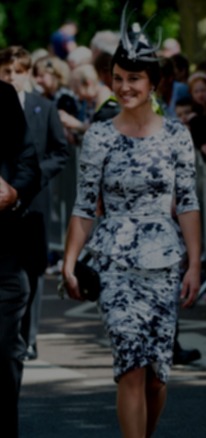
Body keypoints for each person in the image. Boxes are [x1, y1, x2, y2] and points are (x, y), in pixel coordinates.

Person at [61, 14, 201, 437]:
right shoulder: (100, 136)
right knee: (131, 366)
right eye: (118, 78)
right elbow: (85, 206)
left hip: (163, 260)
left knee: (158, 374)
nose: (124, 87)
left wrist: (195, 264)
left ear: (153, 82)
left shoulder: (177, 135)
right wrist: (69, 262)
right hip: (114, 259)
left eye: (134, 78)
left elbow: (189, 204)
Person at [0, 46, 70, 362]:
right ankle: (11, 335)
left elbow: (60, 151)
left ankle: (29, 338)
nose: (11, 77)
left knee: (33, 272)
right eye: (6, 71)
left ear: (27, 74)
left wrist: (34, 179)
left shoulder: (43, 107)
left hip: (33, 204)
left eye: (17, 71)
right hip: (4, 207)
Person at [0, 78, 39, 438]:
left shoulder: (4, 96)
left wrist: (13, 192)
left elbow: (29, 163)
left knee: (5, 351)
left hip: (5, 256)